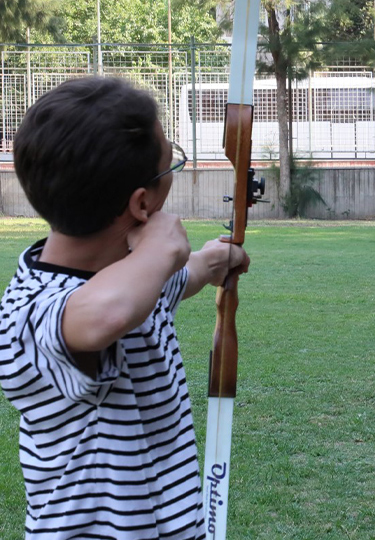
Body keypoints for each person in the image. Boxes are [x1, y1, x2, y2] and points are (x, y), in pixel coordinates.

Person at [0, 76, 248, 539]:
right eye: (169, 162)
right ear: (142, 203)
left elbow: (175, 282)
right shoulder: (30, 311)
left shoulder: (137, 278)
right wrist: (161, 248)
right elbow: (105, 316)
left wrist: (213, 260)